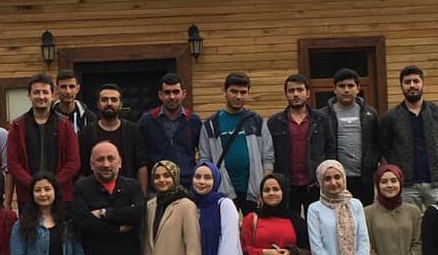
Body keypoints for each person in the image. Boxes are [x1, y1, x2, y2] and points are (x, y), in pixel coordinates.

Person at [379, 65, 438, 211]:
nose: (412, 85)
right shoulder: (391, 116)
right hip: (406, 185)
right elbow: (384, 145)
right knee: (410, 225)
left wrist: (436, 156)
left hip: (435, 182)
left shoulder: (437, 112)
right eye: (407, 82)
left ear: (423, 84)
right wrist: (398, 162)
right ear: (401, 86)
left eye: (416, 81)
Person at [198, 71, 274, 214]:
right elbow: (205, 160)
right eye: (234, 91)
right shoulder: (211, 124)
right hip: (222, 191)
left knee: (254, 233)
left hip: (254, 190)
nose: (238, 96)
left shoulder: (256, 121)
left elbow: (268, 157)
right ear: (224, 92)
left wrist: (265, 189)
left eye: (243, 92)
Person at [7, 73, 80, 207]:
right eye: (36, 92)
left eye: (45, 92)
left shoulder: (66, 126)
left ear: (53, 95)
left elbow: (73, 162)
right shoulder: (17, 127)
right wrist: (34, 185)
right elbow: (13, 163)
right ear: (29, 95)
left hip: (60, 196)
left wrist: (50, 186)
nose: (41, 97)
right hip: (28, 197)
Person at [266, 73, 328, 218]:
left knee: (316, 224)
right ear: (286, 94)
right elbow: (270, 153)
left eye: (300, 90)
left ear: (307, 93)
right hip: (287, 184)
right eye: (291, 91)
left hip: (314, 184)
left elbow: (330, 149)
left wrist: (324, 176)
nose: (296, 94)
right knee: (290, 225)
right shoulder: (274, 122)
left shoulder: (321, 119)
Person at [320, 68, 379, 206]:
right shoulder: (323, 115)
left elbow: (377, 142)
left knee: (363, 215)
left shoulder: (370, 113)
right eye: (341, 86)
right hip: (335, 179)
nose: (346, 90)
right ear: (334, 89)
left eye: (350, 86)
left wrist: (373, 162)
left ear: (358, 88)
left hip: (364, 178)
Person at [78, 84, 149, 192]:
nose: (109, 103)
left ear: (120, 105)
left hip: (127, 193)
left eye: (114, 100)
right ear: (98, 104)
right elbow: (82, 169)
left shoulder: (133, 130)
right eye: (105, 100)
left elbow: (141, 165)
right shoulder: (87, 133)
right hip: (95, 193)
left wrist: (142, 195)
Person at [138, 72, 202, 190]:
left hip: (186, 184)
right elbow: (141, 158)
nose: (172, 97)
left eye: (176, 92)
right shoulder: (147, 120)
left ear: (184, 94)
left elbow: (203, 153)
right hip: (157, 185)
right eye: (167, 92)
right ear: (160, 95)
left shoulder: (194, 120)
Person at [53, 69, 97, 134]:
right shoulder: (49, 116)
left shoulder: (89, 118)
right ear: (56, 89)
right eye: (63, 87)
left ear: (77, 89)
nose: (68, 91)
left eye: (71, 86)